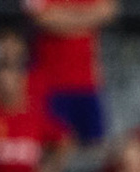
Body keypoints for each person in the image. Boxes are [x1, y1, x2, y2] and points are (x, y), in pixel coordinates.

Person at [25, 0, 117, 144]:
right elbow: (42, 18)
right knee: (53, 143)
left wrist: (63, 17)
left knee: (94, 145)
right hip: (49, 84)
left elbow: (108, 11)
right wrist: (87, 19)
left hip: (87, 83)